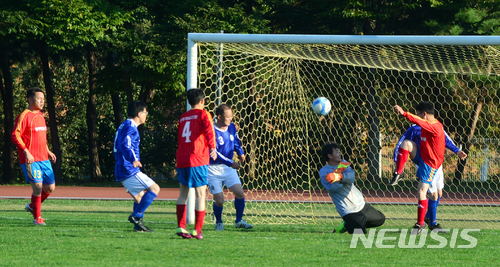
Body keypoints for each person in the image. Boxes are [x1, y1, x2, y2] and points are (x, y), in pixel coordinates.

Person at [390, 124, 467, 232]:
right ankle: (432, 223)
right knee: (432, 194)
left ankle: (427, 218)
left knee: (439, 193)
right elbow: (402, 143)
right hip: (425, 164)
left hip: (437, 162)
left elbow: (446, 139)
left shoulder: (436, 126)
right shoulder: (415, 127)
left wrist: (457, 151)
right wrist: (397, 162)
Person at [393, 101, 445, 235]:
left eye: (418, 114)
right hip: (422, 155)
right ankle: (399, 172)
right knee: (406, 144)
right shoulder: (427, 125)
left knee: (425, 192)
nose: (417, 117)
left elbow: (417, 120)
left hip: (430, 163)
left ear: (425, 114)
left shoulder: (435, 126)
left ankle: (421, 223)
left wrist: (403, 113)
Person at [175, 88, 217, 240]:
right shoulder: (204, 114)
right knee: (200, 195)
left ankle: (181, 225)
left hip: (182, 159)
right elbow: (209, 131)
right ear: (202, 101)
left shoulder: (183, 117)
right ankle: (197, 229)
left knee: (183, 194)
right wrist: (212, 147)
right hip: (197, 158)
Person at [12, 87, 57, 225]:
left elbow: (41, 137)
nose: (42, 101)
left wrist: (48, 150)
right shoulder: (24, 115)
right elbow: (15, 135)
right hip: (30, 159)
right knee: (37, 186)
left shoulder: (41, 115)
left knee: (50, 188)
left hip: (43, 158)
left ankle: (32, 206)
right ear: (30, 99)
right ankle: (37, 218)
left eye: (43, 99)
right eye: (39, 99)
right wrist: (26, 152)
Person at [113, 100, 160, 232]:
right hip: (128, 168)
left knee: (140, 198)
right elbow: (124, 144)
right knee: (155, 188)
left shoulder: (125, 125)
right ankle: (136, 216)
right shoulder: (130, 126)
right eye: (145, 113)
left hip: (123, 167)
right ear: (139, 114)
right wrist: (133, 159)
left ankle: (137, 227)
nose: (146, 115)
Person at [319, 143, 385, 234]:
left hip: (359, 204)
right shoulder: (324, 171)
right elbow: (334, 189)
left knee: (380, 219)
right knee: (360, 232)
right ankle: (348, 223)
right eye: (337, 152)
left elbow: (352, 177)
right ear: (330, 156)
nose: (339, 154)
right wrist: (337, 180)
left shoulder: (343, 164)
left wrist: (339, 176)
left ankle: (349, 223)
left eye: (339, 152)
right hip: (347, 209)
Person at [209, 104, 253, 231]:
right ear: (219, 117)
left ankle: (239, 221)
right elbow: (214, 153)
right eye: (228, 117)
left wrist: (240, 152)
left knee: (239, 193)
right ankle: (219, 222)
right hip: (213, 169)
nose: (231, 119)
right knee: (219, 201)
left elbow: (235, 141)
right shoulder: (211, 131)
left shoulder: (232, 127)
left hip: (228, 168)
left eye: (231, 116)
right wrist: (230, 162)